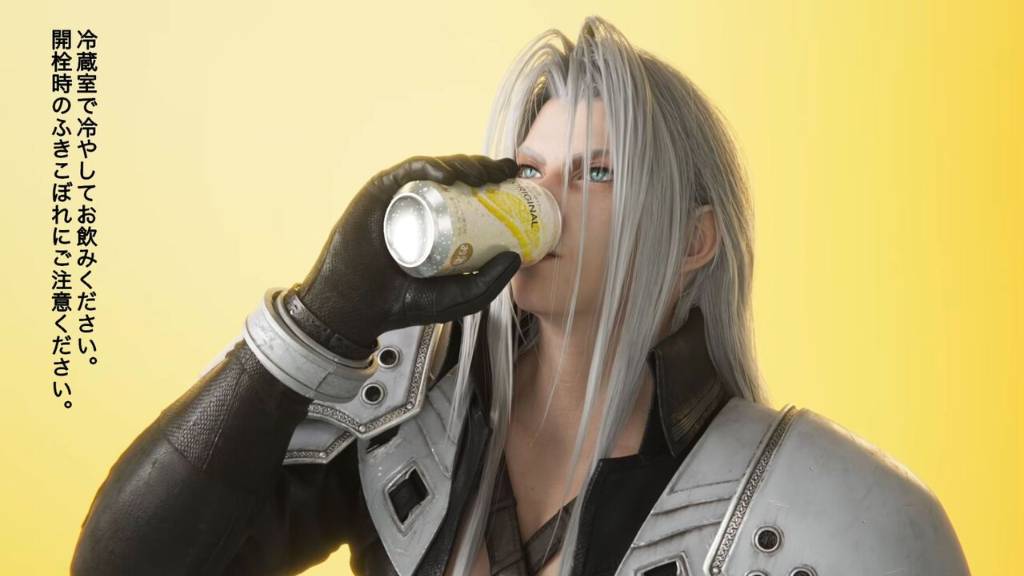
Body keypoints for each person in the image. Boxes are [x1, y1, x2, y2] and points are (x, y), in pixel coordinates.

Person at [72, 16, 970, 576]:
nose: (550, 200)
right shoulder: (404, 420)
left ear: (694, 241)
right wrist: (322, 321)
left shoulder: (826, 511)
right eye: (535, 170)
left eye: (599, 173)